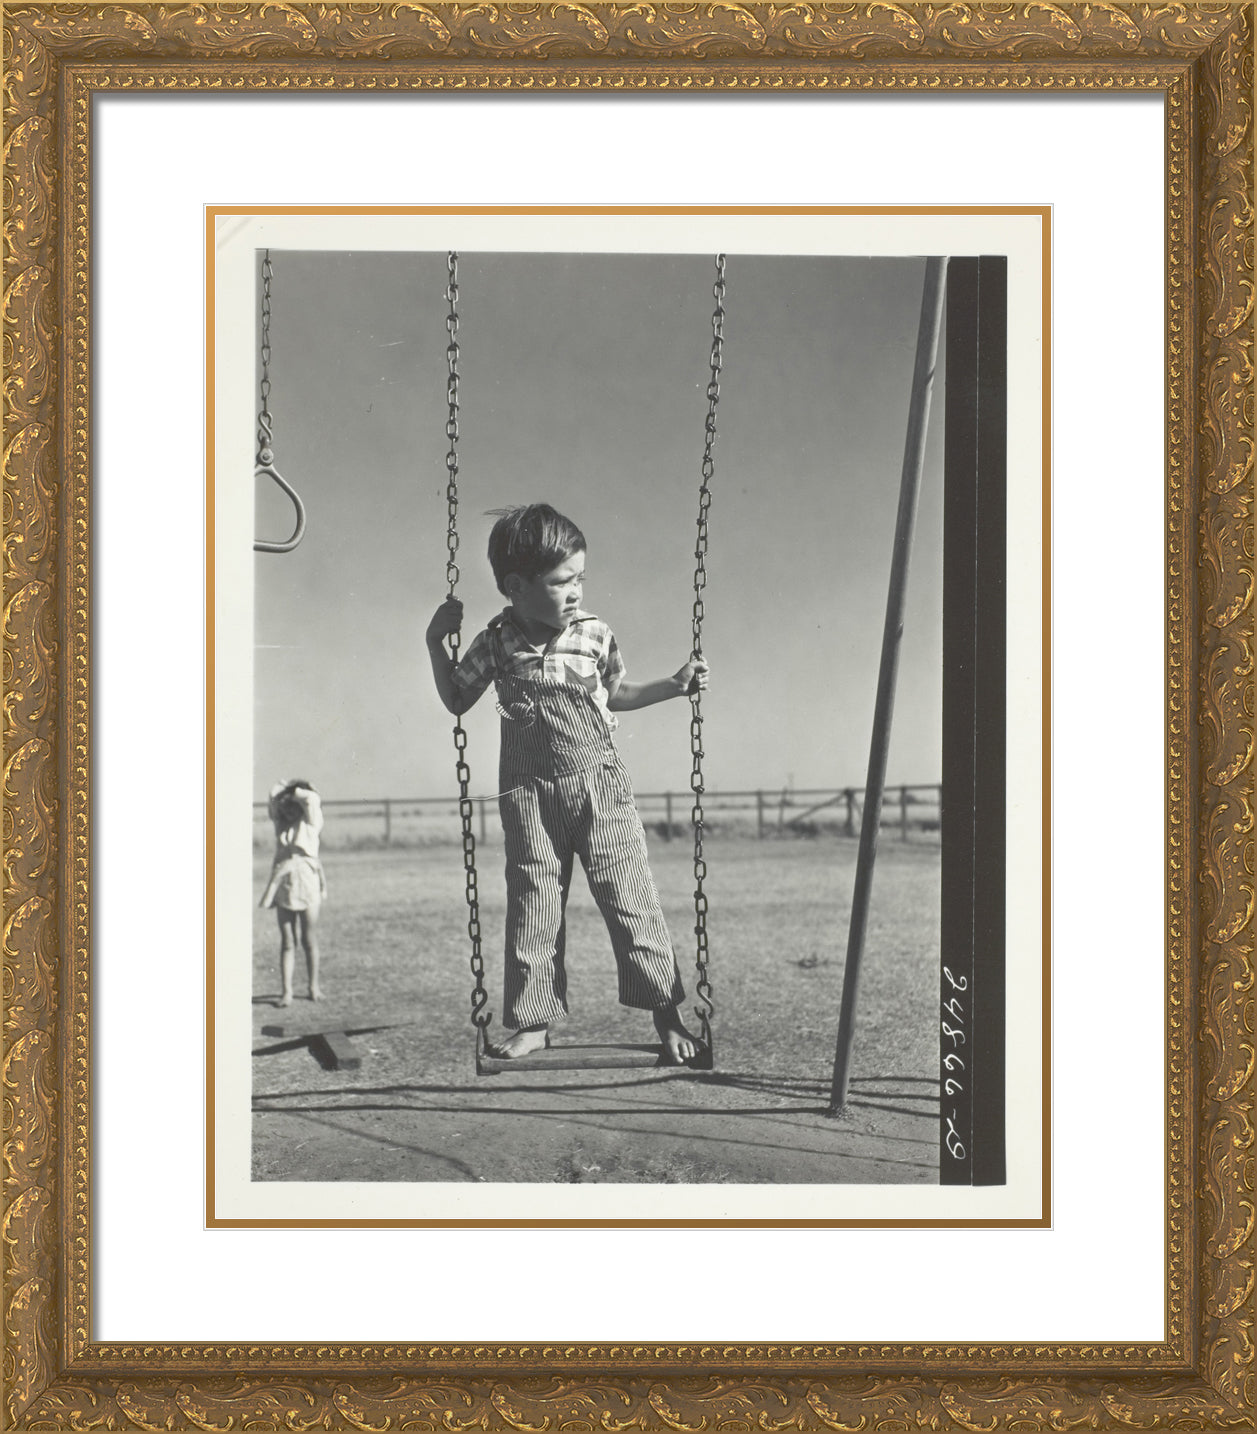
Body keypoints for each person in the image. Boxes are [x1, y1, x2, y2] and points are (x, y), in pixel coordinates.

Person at [426, 503, 709, 1064]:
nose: (576, 591)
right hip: (527, 795)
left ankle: (667, 1016)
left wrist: (674, 686)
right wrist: (437, 643)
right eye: (561, 582)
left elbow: (617, 694)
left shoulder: (595, 633)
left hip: (600, 787)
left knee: (630, 900)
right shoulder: (497, 642)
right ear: (516, 587)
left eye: (580, 578)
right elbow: (458, 698)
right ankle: (534, 1023)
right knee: (533, 904)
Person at [259, 778, 326, 1007]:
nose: (287, 811)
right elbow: (273, 799)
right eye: (284, 807)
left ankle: (313, 986)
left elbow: (312, 798)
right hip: (285, 883)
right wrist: (282, 790)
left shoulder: (311, 824)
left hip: (307, 882)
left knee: (309, 939)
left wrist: (293, 791)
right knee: (287, 941)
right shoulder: (281, 826)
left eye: (292, 806)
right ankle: (286, 992)